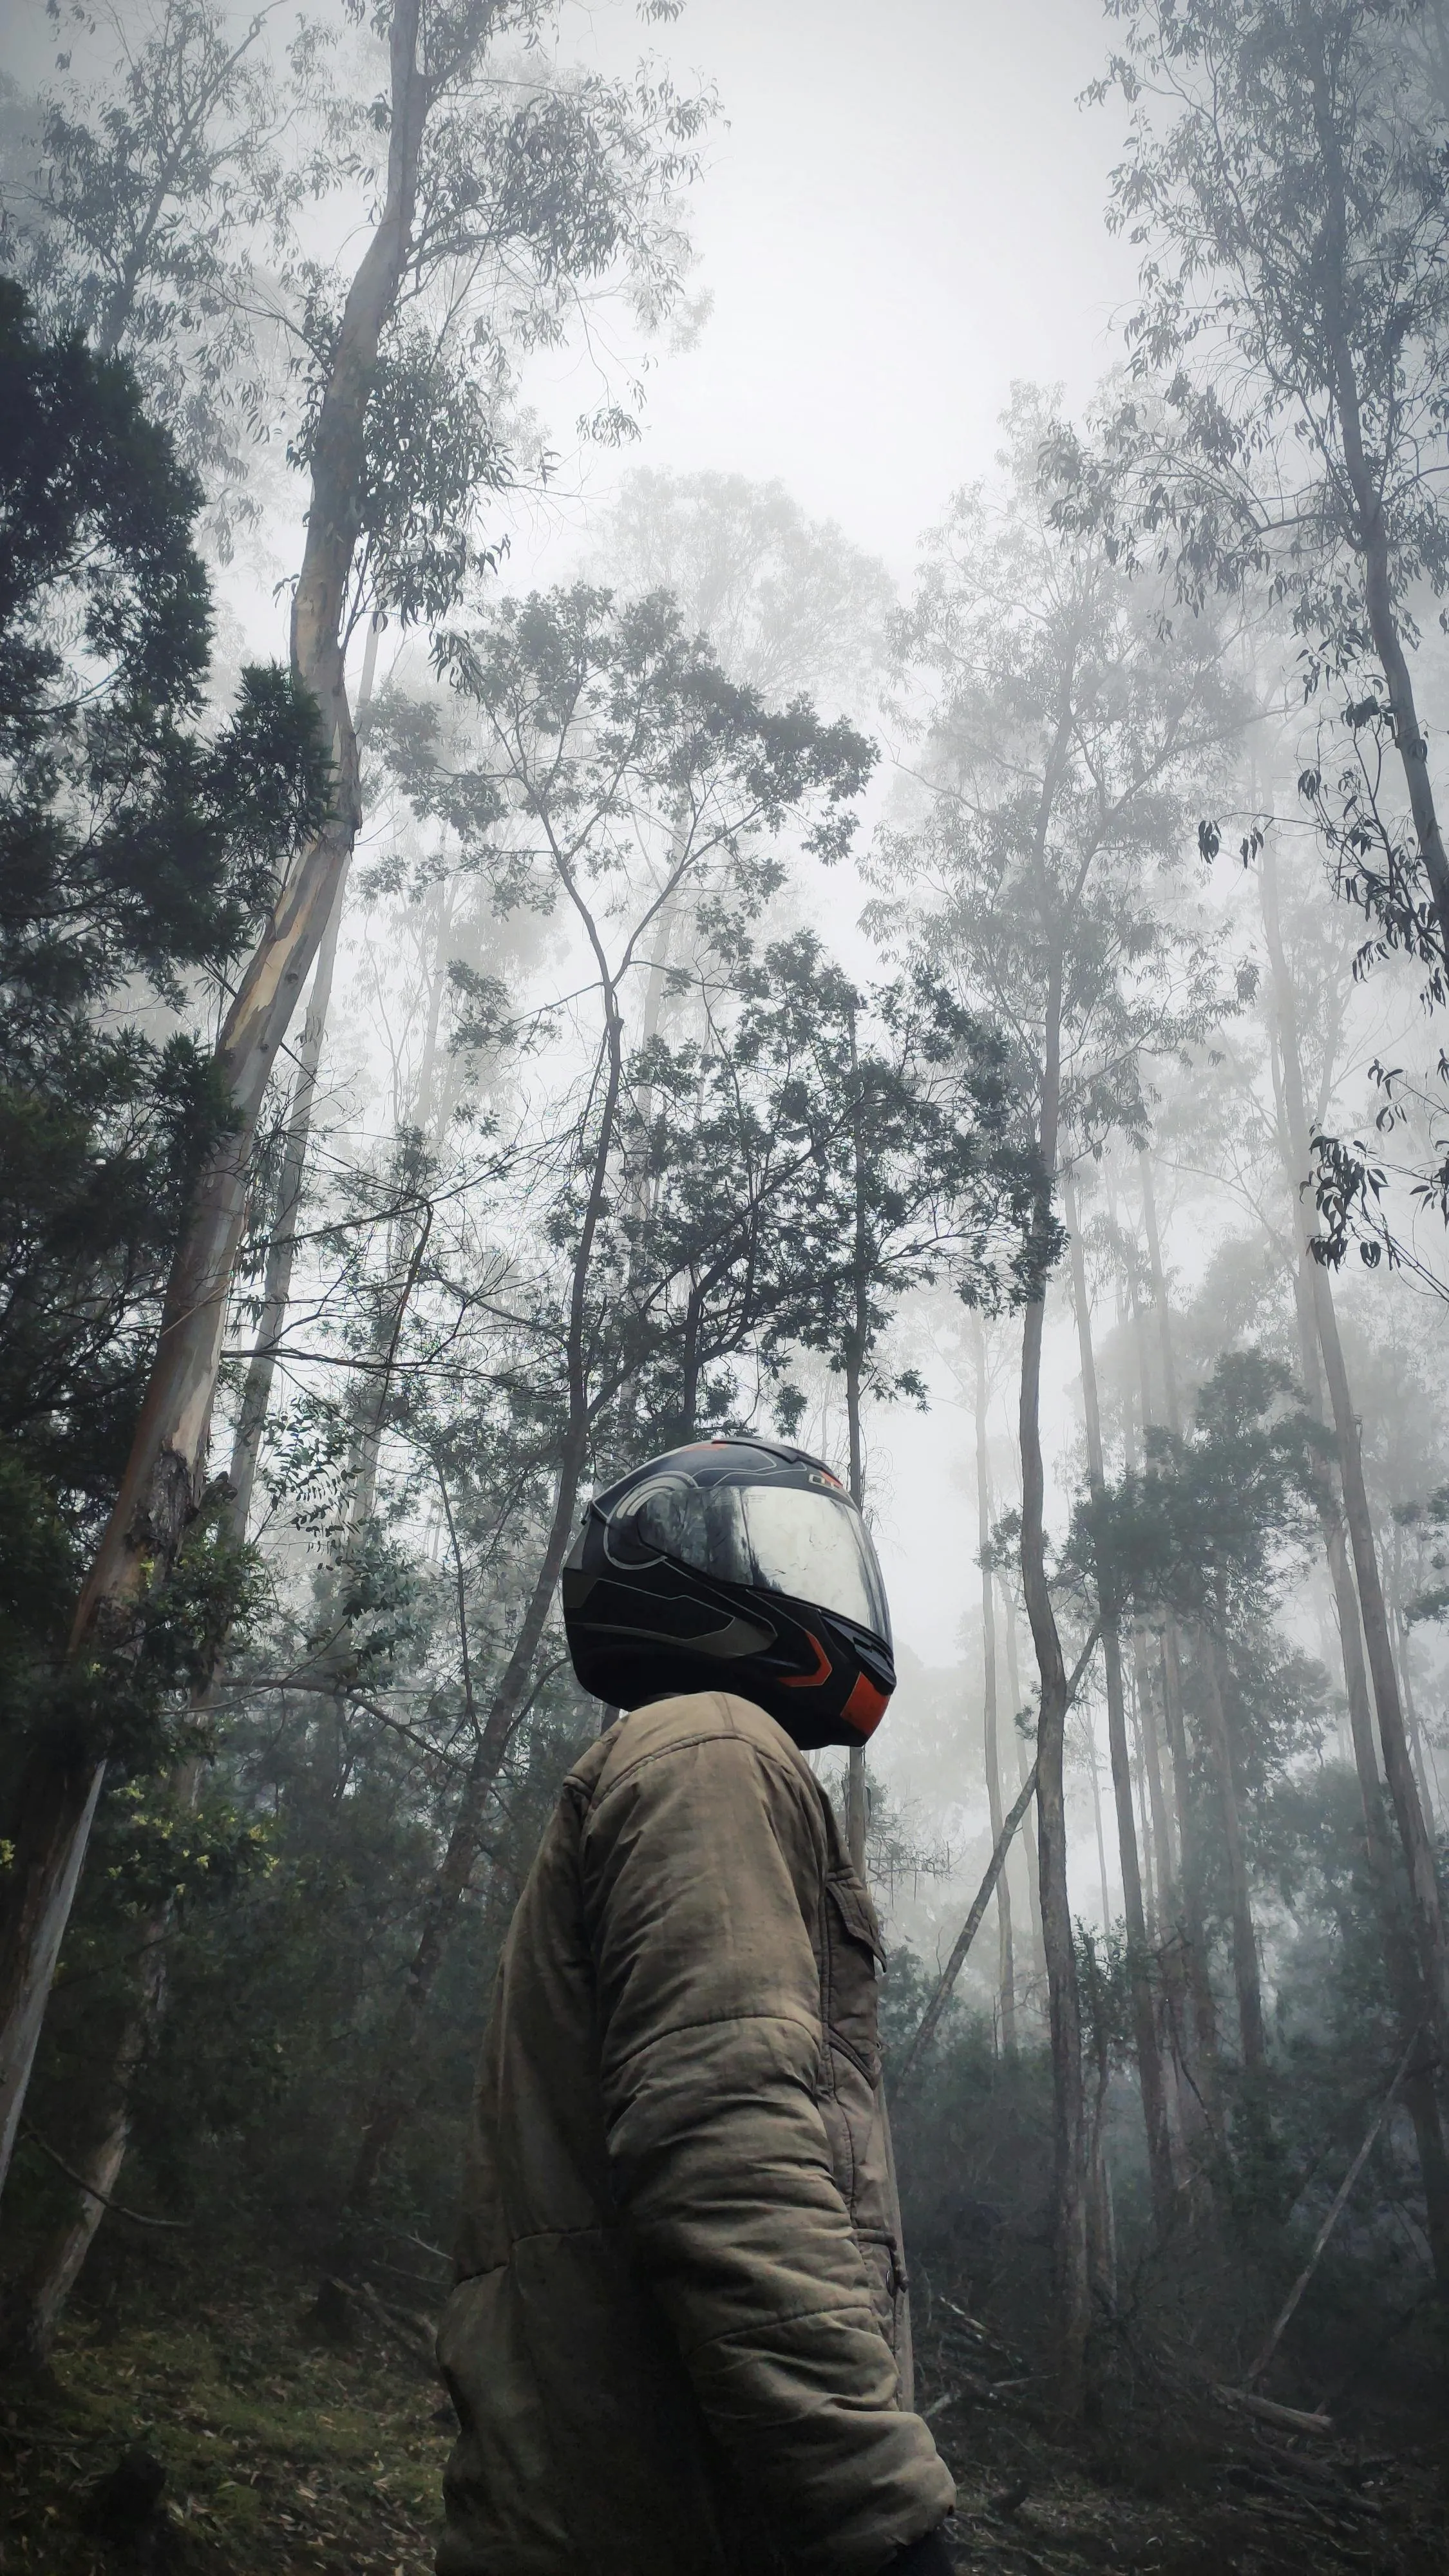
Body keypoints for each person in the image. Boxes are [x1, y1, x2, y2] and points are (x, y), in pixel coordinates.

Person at [435, 1436, 957, 2576]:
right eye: (790, 1552)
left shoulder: (674, 1757)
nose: (820, 1589)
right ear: (675, 1560)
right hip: (671, 2523)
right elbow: (727, 2151)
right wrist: (879, 2513)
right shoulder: (711, 1745)